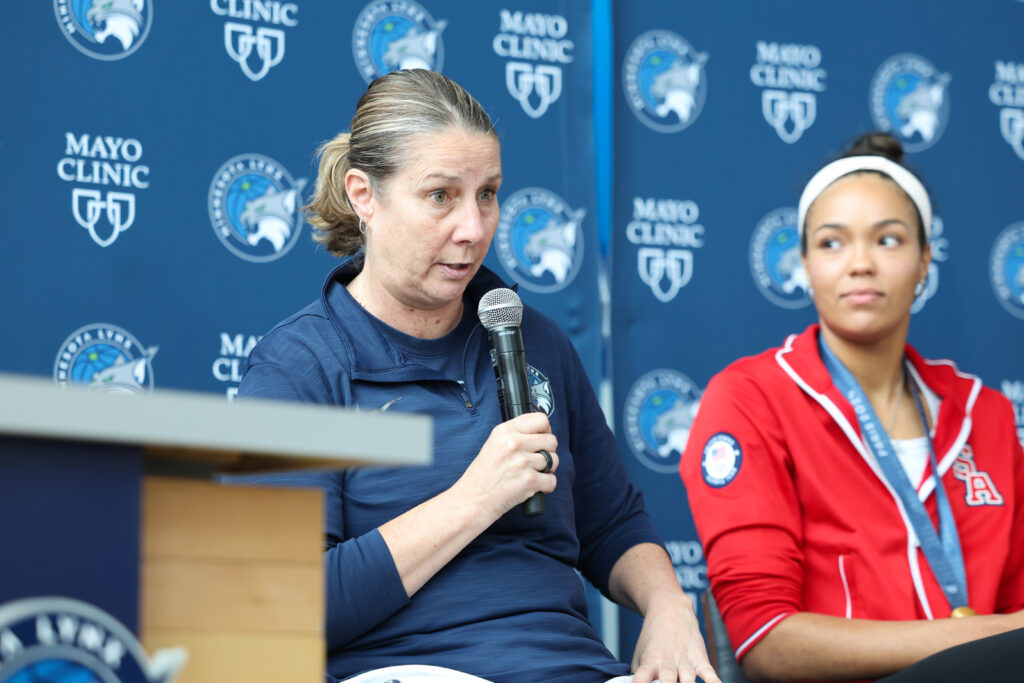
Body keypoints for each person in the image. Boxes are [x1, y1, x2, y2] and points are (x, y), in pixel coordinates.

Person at [237, 69, 719, 683]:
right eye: (441, 195)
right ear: (364, 196)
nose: (473, 228)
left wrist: (668, 607)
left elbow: (614, 523)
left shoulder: (534, 337)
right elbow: (278, 608)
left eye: (487, 193)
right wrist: (474, 499)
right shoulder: (298, 366)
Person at [679, 133, 1024, 682]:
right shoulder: (751, 398)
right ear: (805, 263)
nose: (860, 263)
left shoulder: (987, 414)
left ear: (924, 261)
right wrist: (981, 637)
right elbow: (766, 640)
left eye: (888, 240)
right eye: (833, 243)